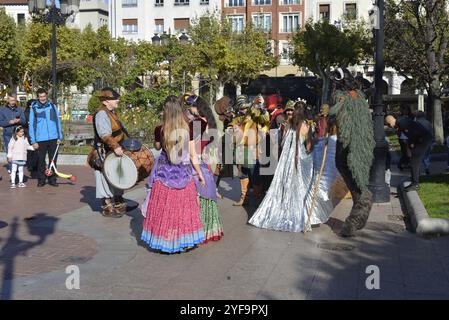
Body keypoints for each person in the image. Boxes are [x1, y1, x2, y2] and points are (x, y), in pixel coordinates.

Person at [140, 96, 206, 253]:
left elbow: (157, 147)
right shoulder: (187, 129)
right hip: (183, 176)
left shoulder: (161, 129)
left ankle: (167, 242)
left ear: (166, 111)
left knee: (165, 210)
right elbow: (192, 155)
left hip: (164, 176)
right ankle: (186, 241)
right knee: (184, 209)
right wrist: (200, 174)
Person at [248, 108, 315, 232]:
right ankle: (294, 212)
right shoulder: (306, 126)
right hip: (297, 160)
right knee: (297, 186)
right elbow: (308, 146)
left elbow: (283, 143)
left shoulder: (288, 125)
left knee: (283, 185)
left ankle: (281, 209)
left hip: (285, 161)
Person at [329, 67, 375, 237]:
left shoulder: (344, 96)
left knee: (356, 180)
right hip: (357, 142)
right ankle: (360, 215)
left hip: (349, 143)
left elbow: (338, 111)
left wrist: (329, 113)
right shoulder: (359, 95)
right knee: (355, 179)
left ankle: (355, 219)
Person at [184, 94, 224, 243]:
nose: (190, 110)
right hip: (205, 161)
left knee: (195, 197)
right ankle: (209, 229)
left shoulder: (196, 123)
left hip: (194, 162)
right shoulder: (210, 121)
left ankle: (197, 230)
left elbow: (192, 147)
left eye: (191, 107)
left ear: (196, 108)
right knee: (207, 196)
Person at [86, 87, 127, 217]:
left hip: (112, 151)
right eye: (114, 99)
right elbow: (104, 134)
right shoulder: (101, 114)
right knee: (104, 178)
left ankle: (118, 203)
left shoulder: (110, 112)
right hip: (103, 151)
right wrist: (115, 147)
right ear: (105, 101)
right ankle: (107, 207)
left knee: (116, 177)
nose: (117, 100)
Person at [228, 94, 270, 206]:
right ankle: (244, 198)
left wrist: (262, 108)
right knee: (243, 174)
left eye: (246, 107)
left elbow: (265, 118)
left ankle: (257, 197)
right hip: (240, 150)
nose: (244, 110)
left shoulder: (255, 115)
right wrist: (233, 129)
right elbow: (229, 131)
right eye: (241, 108)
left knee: (255, 175)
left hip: (253, 149)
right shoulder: (236, 119)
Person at [386, 114, 433, 192]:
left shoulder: (402, 124)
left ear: (389, 123)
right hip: (423, 138)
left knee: (414, 161)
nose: (391, 127)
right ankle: (414, 182)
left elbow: (413, 134)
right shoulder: (401, 122)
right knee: (413, 161)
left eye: (389, 125)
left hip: (424, 139)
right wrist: (410, 147)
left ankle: (415, 184)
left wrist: (410, 147)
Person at [29, 88, 63, 187]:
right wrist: (33, 141)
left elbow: (57, 122)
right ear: (37, 97)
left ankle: (52, 179)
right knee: (41, 161)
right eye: (40, 97)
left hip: (53, 138)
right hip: (40, 139)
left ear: (46, 96)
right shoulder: (34, 108)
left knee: (53, 160)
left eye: (44, 96)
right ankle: (41, 179)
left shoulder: (52, 106)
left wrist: (59, 136)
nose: (42, 98)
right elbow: (32, 125)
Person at [0, 95, 26, 174]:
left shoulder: (20, 109)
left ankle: (17, 167)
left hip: (18, 134)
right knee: (10, 151)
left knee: (18, 151)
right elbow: (0, 122)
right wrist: (9, 122)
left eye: (14, 100)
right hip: (8, 134)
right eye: (11, 100)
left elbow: (24, 121)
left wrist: (18, 120)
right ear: (7, 100)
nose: (13, 102)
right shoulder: (2, 110)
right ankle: (12, 169)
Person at [414, 111, 433, 175]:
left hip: (420, 141)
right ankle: (427, 167)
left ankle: (418, 170)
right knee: (426, 156)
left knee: (419, 156)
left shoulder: (416, 123)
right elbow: (431, 133)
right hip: (428, 141)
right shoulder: (428, 123)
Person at [24, 99, 38, 175]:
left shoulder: (36, 111)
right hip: (28, 133)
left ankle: (34, 165)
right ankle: (30, 166)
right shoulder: (26, 112)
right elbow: (23, 122)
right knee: (30, 150)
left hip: (35, 133)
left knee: (35, 150)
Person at [397, 104, 413, 171]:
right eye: (403, 109)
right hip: (403, 137)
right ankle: (402, 164)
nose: (405, 111)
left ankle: (405, 163)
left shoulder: (411, 117)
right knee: (406, 152)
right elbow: (398, 124)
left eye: (406, 109)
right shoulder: (400, 117)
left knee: (409, 152)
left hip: (410, 136)